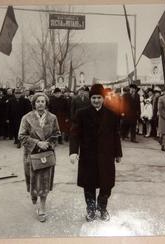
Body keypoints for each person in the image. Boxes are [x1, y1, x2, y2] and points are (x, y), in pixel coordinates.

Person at [69, 84, 122, 222]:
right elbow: (74, 134)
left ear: (103, 98)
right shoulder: (81, 113)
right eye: (93, 98)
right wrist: (73, 151)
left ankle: (102, 208)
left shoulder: (111, 114)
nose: (96, 101)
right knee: (89, 184)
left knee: (106, 184)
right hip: (88, 156)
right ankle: (91, 209)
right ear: (89, 98)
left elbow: (116, 135)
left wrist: (118, 153)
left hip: (106, 155)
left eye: (99, 98)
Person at [18, 92, 61, 222]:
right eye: (38, 101)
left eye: (43, 101)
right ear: (34, 103)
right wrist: (37, 143)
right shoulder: (26, 118)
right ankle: (34, 195)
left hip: (47, 153)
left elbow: (57, 134)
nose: (40, 104)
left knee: (44, 181)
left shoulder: (53, 118)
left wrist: (48, 143)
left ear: (46, 103)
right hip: (32, 154)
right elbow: (21, 136)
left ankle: (42, 207)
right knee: (33, 180)